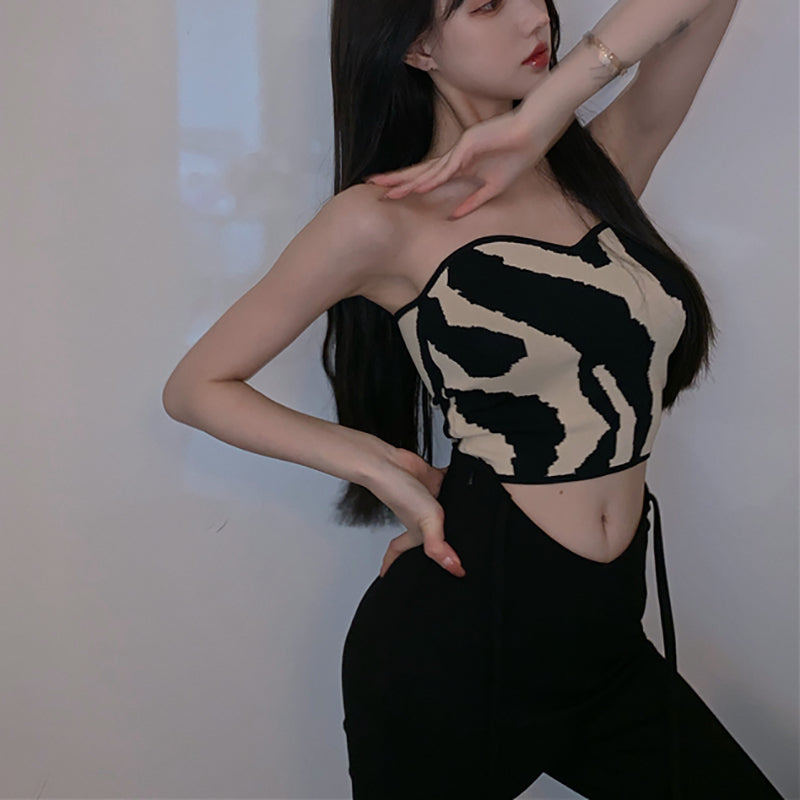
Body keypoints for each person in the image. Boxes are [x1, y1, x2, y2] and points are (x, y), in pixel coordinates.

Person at [162, 0, 786, 797]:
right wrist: (379, 466)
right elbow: (196, 387)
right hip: (457, 648)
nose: (533, 18)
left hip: (605, 642)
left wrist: (550, 107)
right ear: (418, 45)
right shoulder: (380, 221)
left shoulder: (598, 167)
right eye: (487, 4)